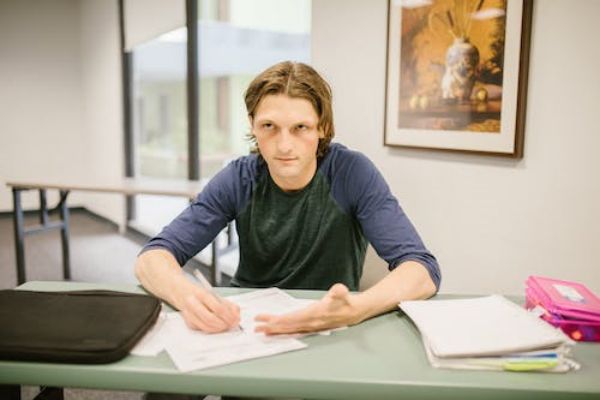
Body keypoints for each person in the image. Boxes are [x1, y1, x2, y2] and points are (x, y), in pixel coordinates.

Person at [135, 61, 441, 335]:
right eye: (269, 126)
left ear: (322, 127)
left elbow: (422, 270)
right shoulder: (239, 178)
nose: (283, 146)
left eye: (300, 128)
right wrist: (188, 297)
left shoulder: (351, 173)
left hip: (327, 325)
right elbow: (152, 257)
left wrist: (356, 308)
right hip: (248, 324)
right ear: (253, 125)